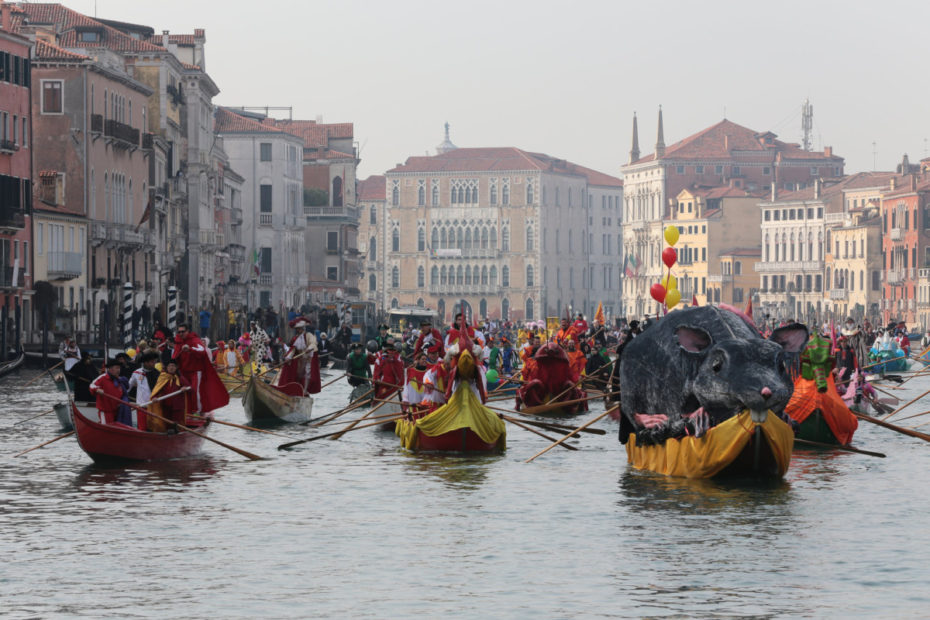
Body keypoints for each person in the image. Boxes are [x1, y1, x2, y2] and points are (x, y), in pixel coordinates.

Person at [172, 323, 229, 414]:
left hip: (195, 371)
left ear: (187, 331)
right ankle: (186, 411)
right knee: (183, 392)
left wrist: (190, 349)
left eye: (183, 331)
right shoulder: (178, 342)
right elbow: (174, 356)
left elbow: (202, 351)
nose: (181, 334)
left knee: (195, 391)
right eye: (179, 332)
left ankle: (198, 411)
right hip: (183, 372)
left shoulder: (195, 340)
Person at [274, 317, 321, 397]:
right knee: (298, 375)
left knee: (307, 374)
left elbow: (313, 343)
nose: (298, 331)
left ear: (303, 328)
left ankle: (305, 390)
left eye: (299, 329)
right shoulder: (295, 338)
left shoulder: (309, 335)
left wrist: (309, 348)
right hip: (300, 359)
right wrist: (288, 357)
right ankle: (297, 390)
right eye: (297, 329)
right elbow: (293, 349)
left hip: (308, 358)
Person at [148, 359, 191, 432]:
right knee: (167, 424)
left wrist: (185, 388)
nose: (171, 368)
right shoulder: (162, 377)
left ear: (176, 368)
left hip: (178, 407)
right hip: (166, 405)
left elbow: (190, 389)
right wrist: (154, 397)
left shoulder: (180, 378)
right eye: (170, 366)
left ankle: (176, 433)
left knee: (176, 425)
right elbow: (157, 390)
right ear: (167, 367)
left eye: (173, 366)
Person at [89, 358, 132, 425]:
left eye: (119, 368)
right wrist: (97, 389)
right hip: (106, 411)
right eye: (117, 368)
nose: (118, 370)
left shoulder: (120, 380)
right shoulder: (103, 377)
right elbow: (92, 385)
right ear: (110, 369)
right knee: (107, 429)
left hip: (118, 411)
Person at [128, 351, 160, 430]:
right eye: (152, 362)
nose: (154, 364)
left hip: (154, 405)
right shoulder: (137, 373)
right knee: (142, 428)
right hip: (141, 406)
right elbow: (128, 386)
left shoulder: (158, 374)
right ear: (145, 363)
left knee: (155, 427)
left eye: (154, 362)